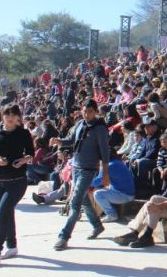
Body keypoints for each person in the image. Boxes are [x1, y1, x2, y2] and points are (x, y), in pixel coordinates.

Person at [50, 99, 110, 250]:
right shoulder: (79, 124)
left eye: (90, 112)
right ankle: (97, 226)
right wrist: (59, 141)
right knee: (83, 200)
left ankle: (64, 236)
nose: (86, 114)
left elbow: (104, 152)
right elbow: (71, 141)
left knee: (74, 203)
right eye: (84, 111)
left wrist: (105, 174)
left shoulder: (100, 129)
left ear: (95, 112)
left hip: (88, 169)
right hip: (76, 167)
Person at [0, 104, 34, 268]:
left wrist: (23, 160)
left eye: (13, 114)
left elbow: (31, 153)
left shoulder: (23, 133)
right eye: (7, 114)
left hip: (17, 181)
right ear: (2, 116)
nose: (10, 117)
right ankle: (12, 246)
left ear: (18, 117)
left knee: (1, 214)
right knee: (7, 213)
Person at [114, 148, 167, 248]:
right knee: (151, 205)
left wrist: (159, 205)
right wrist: (155, 206)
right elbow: (166, 195)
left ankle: (144, 235)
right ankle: (137, 234)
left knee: (155, 201)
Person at [92, 143, 136, 223]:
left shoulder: (110, 165)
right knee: (101, 189)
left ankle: (112, 215)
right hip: (125, 193)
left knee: (98, 193)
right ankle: (101, 213)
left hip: (125, 196)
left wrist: (83, 183)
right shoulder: (116, 162)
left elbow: (98, 181)